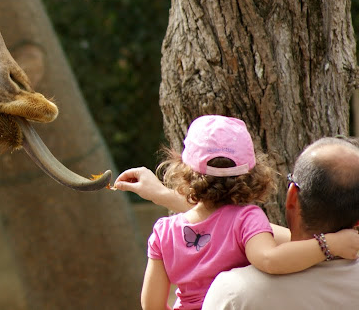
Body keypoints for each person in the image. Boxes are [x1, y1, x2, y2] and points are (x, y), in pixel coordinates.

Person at [115, 116, 359, 310]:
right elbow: (270, 259)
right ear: (252, 174)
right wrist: (331, 244)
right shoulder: (248, 219)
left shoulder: (163, 232)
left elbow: (151, 305)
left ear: (183, 170)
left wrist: (162, 195)